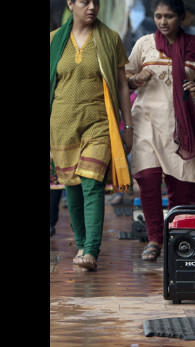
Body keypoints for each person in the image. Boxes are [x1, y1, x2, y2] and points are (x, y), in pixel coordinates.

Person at [126, 0, 195, 261]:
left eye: (169, 16)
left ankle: (179, 236)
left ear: (181, 17)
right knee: (148, 180)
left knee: (180, 187)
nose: (163, 22)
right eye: (158, 16)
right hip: (146, 123)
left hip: (182, 126)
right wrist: (135, 79)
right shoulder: (144, 44)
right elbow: (126, 77)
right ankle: (154, 238)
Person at [50, 0, 133, 270]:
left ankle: (92, 250)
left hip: (99, 123)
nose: (92, 7)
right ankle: (82, 241)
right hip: (62, 125)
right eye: (85, 1)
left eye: (96, 2)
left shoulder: (110, 39)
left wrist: (128, 127)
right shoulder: (53, 41)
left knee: (91, 183)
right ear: (70, 4)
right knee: (71, 186)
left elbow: (122, 85)